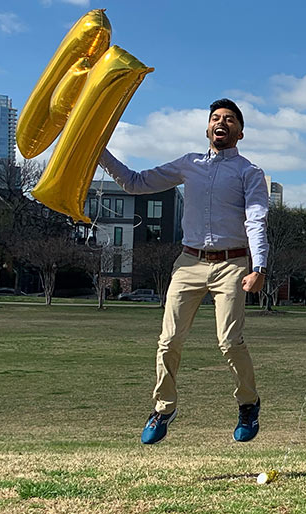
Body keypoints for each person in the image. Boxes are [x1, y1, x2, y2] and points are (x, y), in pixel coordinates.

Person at [98, 98, 268, 444]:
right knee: (168, 341)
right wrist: (98, 152)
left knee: (229, 342)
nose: (222, 122)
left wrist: (259, 266)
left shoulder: (249, 172)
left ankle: (248, 404)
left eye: (230, 119)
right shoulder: (188, 164)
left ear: (241, 132)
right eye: (216, 118)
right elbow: (134, 182)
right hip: (188, 263)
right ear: (207, 128)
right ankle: (163, 409)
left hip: (232, 264)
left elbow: (257, 219)